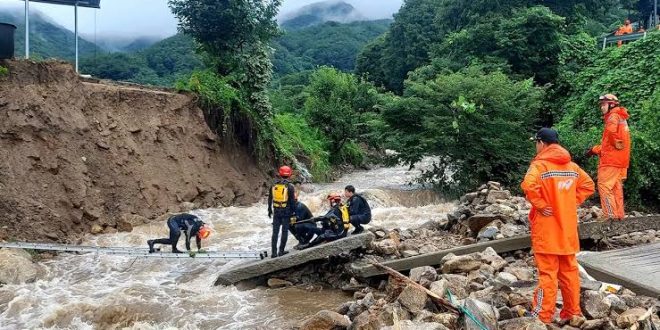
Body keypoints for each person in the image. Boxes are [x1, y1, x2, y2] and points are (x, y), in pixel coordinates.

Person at [521, 128, 595, 325]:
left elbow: (528, 186)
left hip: (547, 231)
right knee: (570, 273)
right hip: (568, 232)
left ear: (542, 143)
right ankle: (573, 312)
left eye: (535, 143)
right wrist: (570, 201)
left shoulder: (539, 166)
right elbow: (589, 186)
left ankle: (542, 316)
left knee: (548, 275)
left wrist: (542, 205)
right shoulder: (572, 166)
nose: (535, 147)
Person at [586, 94, 631, 221]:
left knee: (604, 186)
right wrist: (594, 150)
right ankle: (619, 215)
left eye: (603, 104)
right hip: (620, 161)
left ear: (612, 105)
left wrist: (596, 149)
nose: (601, 107)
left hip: (611, 161)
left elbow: (612, 138)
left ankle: (610, 215)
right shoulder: (621, 117)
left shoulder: (612, 117)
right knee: (616, 187)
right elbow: (610, 144)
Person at [267, 165, 296, 258]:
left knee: (275, 232)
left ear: (280, 173)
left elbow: (270, 198)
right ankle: (281, 251)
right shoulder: (290, 186)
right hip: (286, 211)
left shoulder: (274, 184)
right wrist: (294, 213)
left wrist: (269, 209)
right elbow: (292, 201)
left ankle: (274, 253)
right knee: (284, 231)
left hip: (276, 211)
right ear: (289, 174)